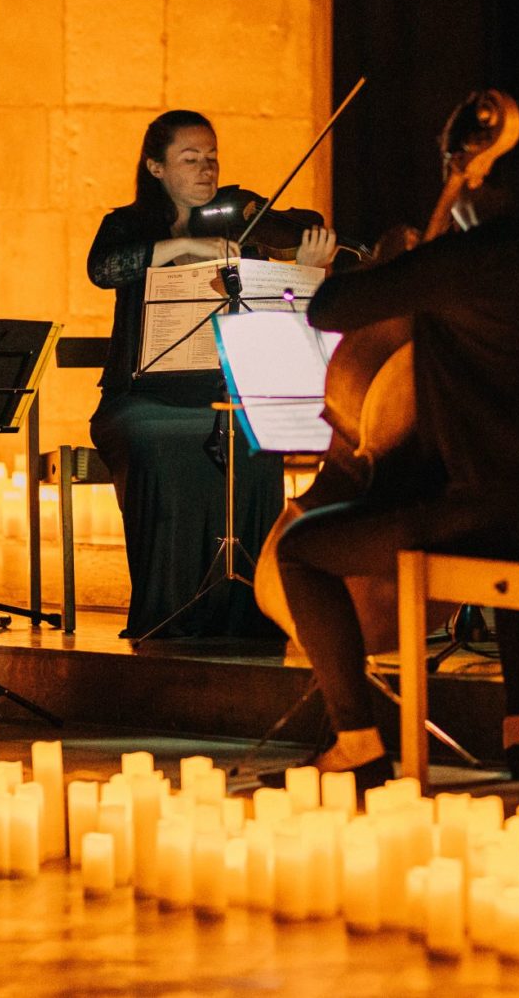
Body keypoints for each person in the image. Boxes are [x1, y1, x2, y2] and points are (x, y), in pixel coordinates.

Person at [272, 95, 519, 790]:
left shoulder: (466, 259)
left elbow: (331, 307)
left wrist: (445, 207)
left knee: (301, 550)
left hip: (505, 511)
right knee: (516, 540)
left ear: (473, 175)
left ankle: (356, 744)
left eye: (455, 167)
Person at [87, 109, 338, 640]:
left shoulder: (241, 229)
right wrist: (182, 247)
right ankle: (170, 615)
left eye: (212, 158)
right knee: (157, 440)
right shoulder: (128, 225)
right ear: (156, 167)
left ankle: (248, 610)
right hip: (140, 399)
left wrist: (308, 271)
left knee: (253, 442)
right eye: (190, 158)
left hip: (221, 394)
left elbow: (281, 304)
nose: (206, 169)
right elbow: (103, 269)